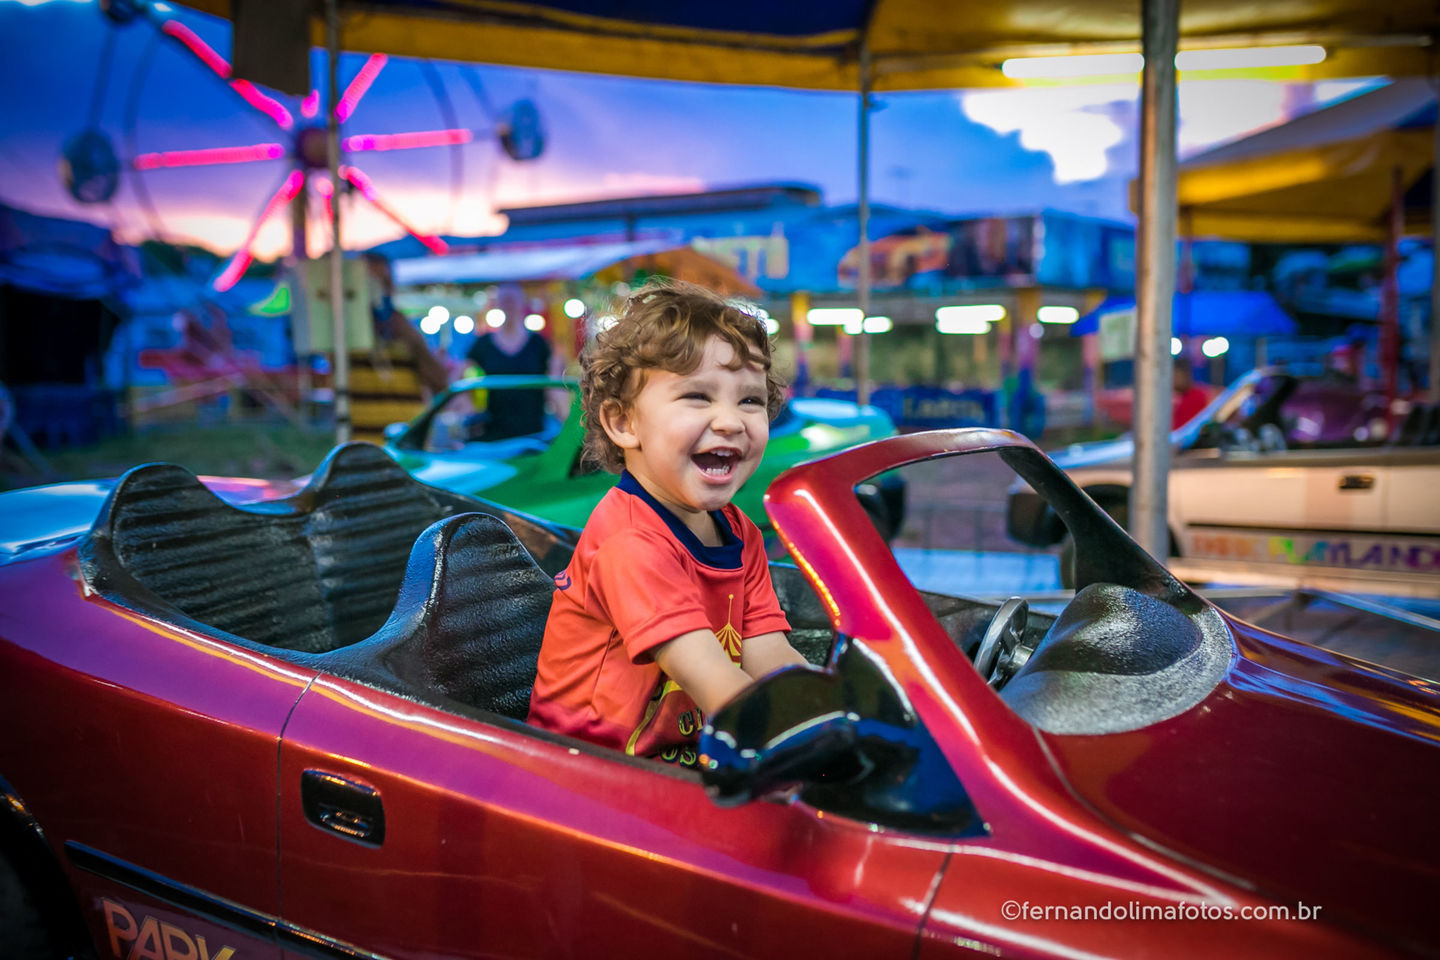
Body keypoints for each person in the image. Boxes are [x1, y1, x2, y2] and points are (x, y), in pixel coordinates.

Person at [527, 280, 807, 767]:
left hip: (681, 759)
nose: (730, 421)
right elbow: (715, 682)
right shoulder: (630, 542)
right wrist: (814, 742)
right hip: (585, 773)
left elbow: (772, 658)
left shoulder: (740, 533)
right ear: (623, 424)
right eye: (698, 396)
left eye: (750, 401)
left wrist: (831, 708)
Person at [350, 253, 449, 443]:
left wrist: (413, 341)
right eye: (370, 283)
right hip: (363, 443)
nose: (378, 290)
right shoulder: (345, 334)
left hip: (406, 444)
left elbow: (441, 384)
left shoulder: (404, 329)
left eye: (383, 282)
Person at [465, 283, 555, 439]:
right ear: (498, 304)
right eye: (505, 300)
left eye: (512, 300)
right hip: (493, 433)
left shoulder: (538, 343)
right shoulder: (483, 344)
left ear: (522, 303)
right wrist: (469, 409)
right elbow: (461, 379)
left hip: (533, 433)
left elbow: (554, 386)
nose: (509, 305)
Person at [1172, 358, 1210, 428]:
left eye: (1179, 376)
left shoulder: (1199, 395)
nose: (1176, 380)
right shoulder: (1168, 397)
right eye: (1175, 376)